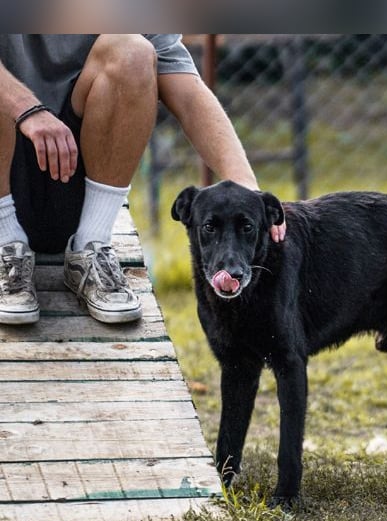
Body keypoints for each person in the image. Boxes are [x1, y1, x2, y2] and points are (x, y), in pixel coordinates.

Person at [0, 34, 285, 325]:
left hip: (74, 181)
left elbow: (188, 96)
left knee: (133, 51)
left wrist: (247, 187)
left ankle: (91, 246)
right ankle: (4, 242)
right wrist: (28, 110)